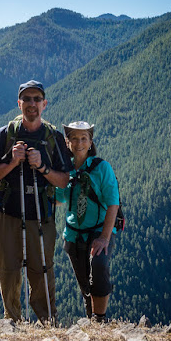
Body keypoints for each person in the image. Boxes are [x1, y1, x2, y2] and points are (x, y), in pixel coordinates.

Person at [0, 80, 73, 323]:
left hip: (41, 214)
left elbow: (64, 181)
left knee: (42, 268)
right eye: (27, 99)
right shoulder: (5, 135)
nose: (32, 103)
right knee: (8, 269)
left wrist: (42, 167)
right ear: (19, 103)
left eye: (37, 99)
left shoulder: (54, 138)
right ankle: (12, 321)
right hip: (7, 212)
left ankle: (48, 321)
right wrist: (12, 162)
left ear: (45, 104)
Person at [56, 121, 119, 322]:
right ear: (67, 142)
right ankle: (91, 320)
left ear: (91, 142)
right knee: (85, 284)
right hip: (73, 235)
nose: (79, 143)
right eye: (74, 138)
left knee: (98, 267)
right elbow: (59, 199)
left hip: (99, 231)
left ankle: (100, 319)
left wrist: (104, 238)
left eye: (84, 138)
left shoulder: (102, 168)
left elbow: (113, 203)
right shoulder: (66, 170)